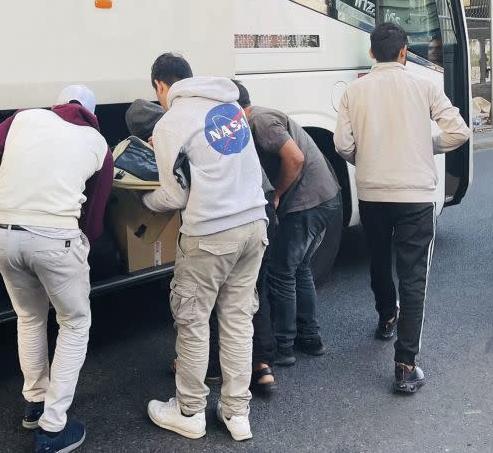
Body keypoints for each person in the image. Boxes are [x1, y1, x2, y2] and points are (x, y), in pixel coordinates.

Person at [0, 84, 114, 453]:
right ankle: (52, 427)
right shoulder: (97, 143)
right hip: (55, 237)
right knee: (75, 322)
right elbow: (93, 218)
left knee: (29, 316)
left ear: (60, 104)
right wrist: (83, 243)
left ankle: (35, 404)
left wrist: (13, 183)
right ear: (90, 113)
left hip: (0, 230)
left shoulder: (24, 117)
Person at [334, 22, 470, 394]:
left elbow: (342, 145)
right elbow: (459, 131)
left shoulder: (354, 91)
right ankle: (406, 364)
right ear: (405, 52)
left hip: (372, 191)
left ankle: (385, 317)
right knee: (414, 278)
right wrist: (429, 147)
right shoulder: (424, 85)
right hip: (415, 195)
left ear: (372, 53)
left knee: (378, 258)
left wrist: (366, 159)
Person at [143, 53, 267, 442]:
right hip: (254, 226)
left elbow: (174, 193)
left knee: (194, 321)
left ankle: (189, 410)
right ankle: (236, 412)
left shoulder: (171, 122)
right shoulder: (228, 105)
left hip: (211, 234)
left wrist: (143, 204)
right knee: (237, 320)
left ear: (161, 86)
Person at [235, 82, 342, 364]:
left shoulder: (260, 122)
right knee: (300, 267)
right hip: (322, 197)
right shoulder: (257, 119)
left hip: (307, 202)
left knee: (282, 270)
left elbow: (295, 158)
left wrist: (278, 193)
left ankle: (283, 346)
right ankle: (310, 337)